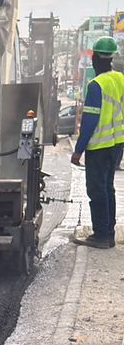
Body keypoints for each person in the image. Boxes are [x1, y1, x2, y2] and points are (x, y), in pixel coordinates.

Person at [71, 36, 124, 249]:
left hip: (99, 147)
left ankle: (101, 235)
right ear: (111, 58)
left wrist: (78, 151)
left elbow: (89, 121)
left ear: (94, 58)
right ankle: (108, 231)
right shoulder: (121, 79)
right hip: (117, 144)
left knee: (96, 189)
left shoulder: (96, 85)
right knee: (108, 188)